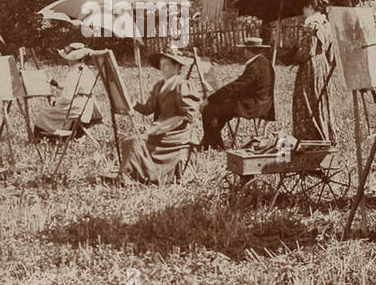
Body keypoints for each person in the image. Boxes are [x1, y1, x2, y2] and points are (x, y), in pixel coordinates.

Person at [118, 50, 199, 184]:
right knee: (130, 141)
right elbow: (148, 110)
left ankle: (131, 176)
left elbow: (187, 116)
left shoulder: (183, 85)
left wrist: (161, 128)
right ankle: (133, 174)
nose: (162, 68)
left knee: (134, 141)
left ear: (177, 67)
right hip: (161, 129)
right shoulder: (159, 85)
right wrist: (133, 104)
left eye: (166, 65)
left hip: (178, 133)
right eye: (161, 64)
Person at [201, 36, 275, 150]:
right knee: (220, 108)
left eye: (244, 50)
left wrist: (209, 99)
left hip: (254, 106)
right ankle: (209, 142)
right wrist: (222, 97)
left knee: (209, 109)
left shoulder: (254, 67)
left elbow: (236, 87)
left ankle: (215, 146)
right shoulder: (265, 62)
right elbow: (244, 88)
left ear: (247, 51)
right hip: (263, 104)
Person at [32, 42, 101, 138]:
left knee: (44, 113)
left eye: (68, 58)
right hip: (88, 105)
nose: (67, 61)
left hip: (76, 107)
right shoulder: (86, 70)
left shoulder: (74, 74)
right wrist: (56, 84)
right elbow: (77, 88)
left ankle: (40, 139)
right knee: (54, 112)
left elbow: (67, 97)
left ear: (72, 59)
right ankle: (65, 136)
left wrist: (55, 102)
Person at [291, 0, 335, 143]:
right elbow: (331, 53)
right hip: (322, 65)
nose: (303, 12)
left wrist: (291, 57)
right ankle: (324, 134)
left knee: (306, 99)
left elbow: (306, 51)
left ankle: (309, 138)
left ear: (310, 6)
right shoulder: (326, 24)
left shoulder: (311, 24)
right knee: (319, 99)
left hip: (310, 67)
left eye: (304, 8)